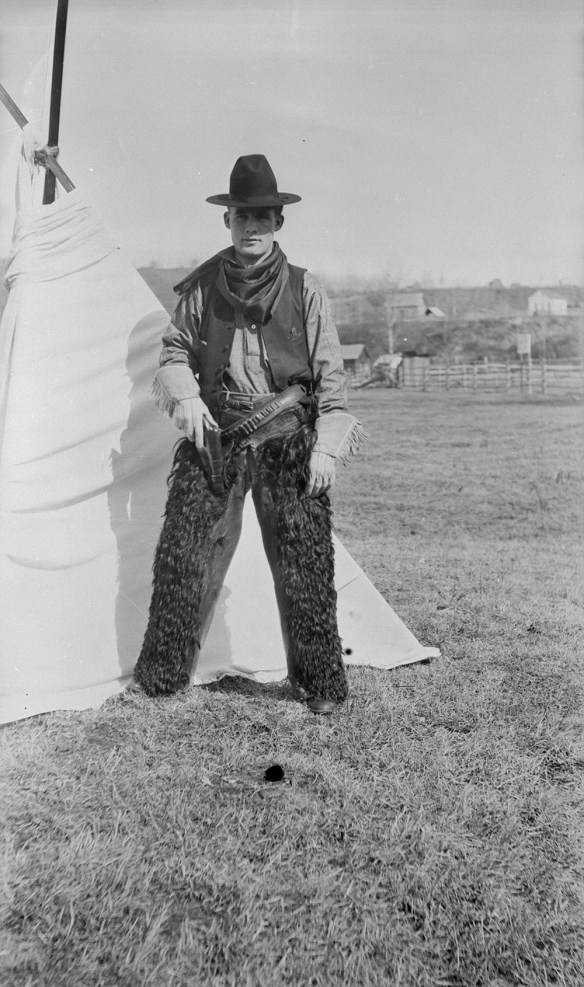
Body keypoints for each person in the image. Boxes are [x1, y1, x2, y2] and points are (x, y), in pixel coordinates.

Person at [133, 155, 364, 713]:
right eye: (242, 217)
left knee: (303, 564)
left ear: (278, 223)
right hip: (218, 441)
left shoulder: (307, 292)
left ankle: (318, 688)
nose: (252, 227)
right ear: (228, 222)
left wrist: (327, 447)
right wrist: (184, 393)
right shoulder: (200, 289)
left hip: (289, 438)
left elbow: (332, 386)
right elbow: (173, 353)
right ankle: (161, 684)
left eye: (262, 216)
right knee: (187, 556)